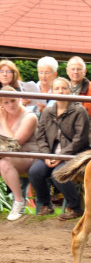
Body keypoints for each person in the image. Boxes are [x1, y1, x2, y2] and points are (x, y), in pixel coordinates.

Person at [28, 77, 90, 220]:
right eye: (57, 88)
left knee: (59, 174)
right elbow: (41, 137)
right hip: (50, 152)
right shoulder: (47, 112)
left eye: (64, 88)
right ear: (52, 91)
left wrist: (61, 156)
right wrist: (46, 155)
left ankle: (76, 208)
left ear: (70, 91)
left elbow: (80, 139)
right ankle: (46, 205)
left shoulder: (79, 111)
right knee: (35, 171)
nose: (60, 91)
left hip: (72, 153)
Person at [0, 86, 38, 220]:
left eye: (13, 100)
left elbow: (14, 145)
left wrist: (3, 121)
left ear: (19, 99)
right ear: (1, 105)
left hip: (27, 155)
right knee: (4, 161)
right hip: (5, 154)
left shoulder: (29, 117)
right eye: (6, 102)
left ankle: (19, 201)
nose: (11, 105)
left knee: (4, 163)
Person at [66, 56, 91, 149]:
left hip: (90, 132)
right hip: (68, 131)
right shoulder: (63, 88)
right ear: (67, 71)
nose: (75, 72)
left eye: (79, 69)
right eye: (73, 69)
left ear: (84, 71)